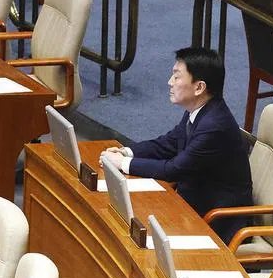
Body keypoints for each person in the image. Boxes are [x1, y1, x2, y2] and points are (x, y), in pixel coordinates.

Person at [100, 47, 253, 244]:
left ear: (199, 87)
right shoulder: (200, 110)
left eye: (176, 77)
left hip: (217, 222)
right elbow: (169, 143)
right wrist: (126, 151)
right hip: (193, 205)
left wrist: (123, 163)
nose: (169, 83)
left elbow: (174, 169)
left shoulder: (214, 126)